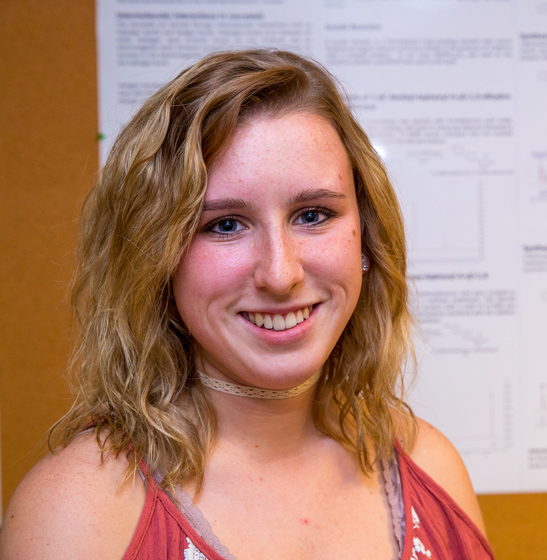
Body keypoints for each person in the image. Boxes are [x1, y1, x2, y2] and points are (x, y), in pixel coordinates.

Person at [0, 49, 494, 560]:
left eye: (313, 215)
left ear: (365, 239)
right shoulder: (80, 511)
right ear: (156, 261)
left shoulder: (430, 467)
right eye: (225, 225)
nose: (281, 275)